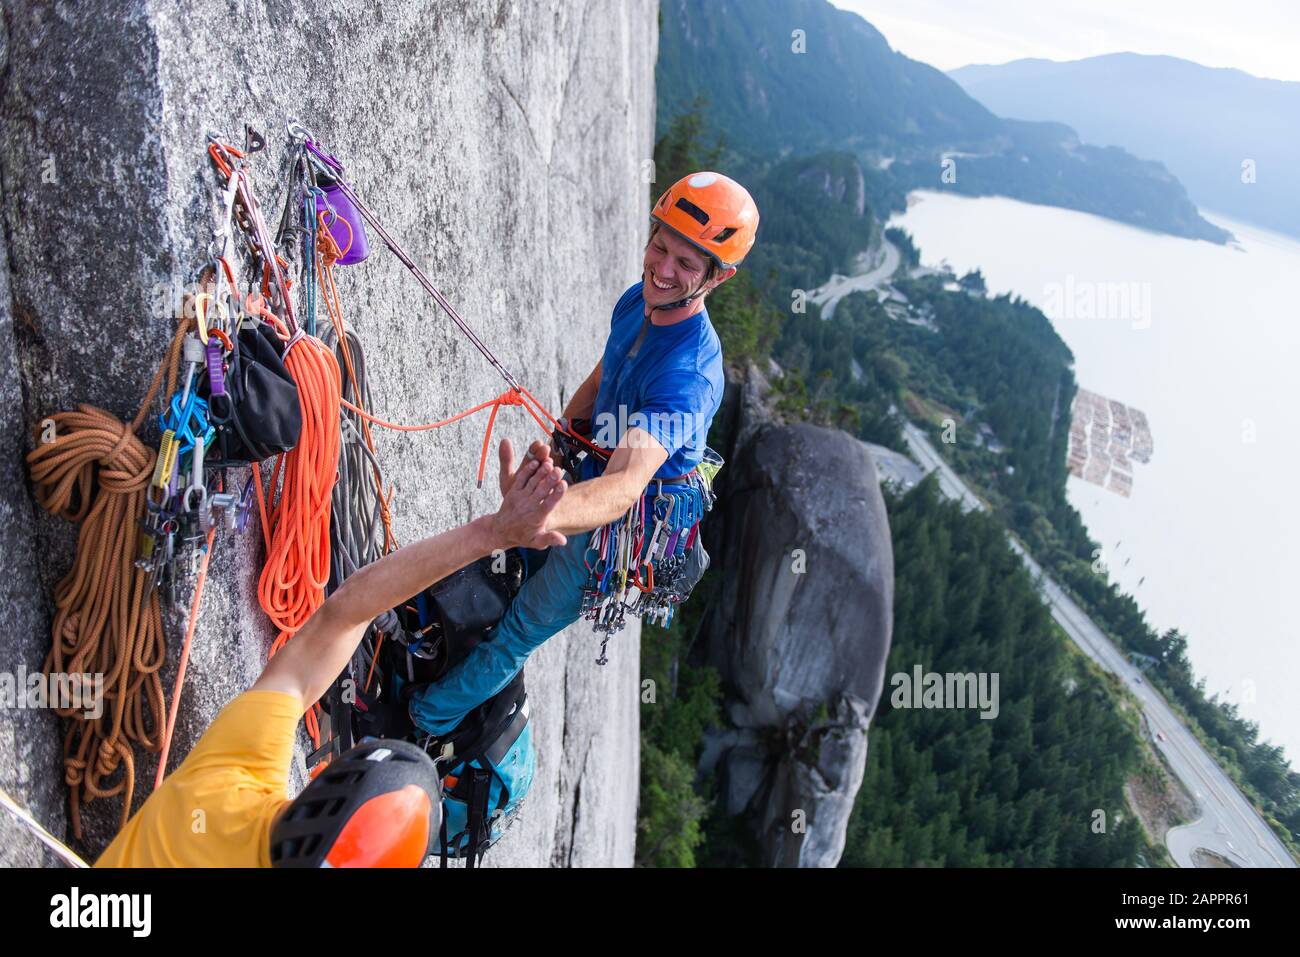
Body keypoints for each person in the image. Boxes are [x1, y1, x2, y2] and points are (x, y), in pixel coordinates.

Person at [95, 440, 566, 868]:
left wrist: (494, 533)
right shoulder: (239, 767)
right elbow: (349, 613)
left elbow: (347, 610)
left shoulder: (234, 777)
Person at [409, 171, 759, 736]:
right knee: (506, 569)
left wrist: (537, 512)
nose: (663, 269)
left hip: (621, 524)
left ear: (718, 279)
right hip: (588, 471)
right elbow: (604, 377)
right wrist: (561, 444)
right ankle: (438, 653)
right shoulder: (638, 301)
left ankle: (423, 721)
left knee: (521, 628)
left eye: (687, 265)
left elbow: (623, 487)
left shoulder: (689, 376)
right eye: (660, 245)